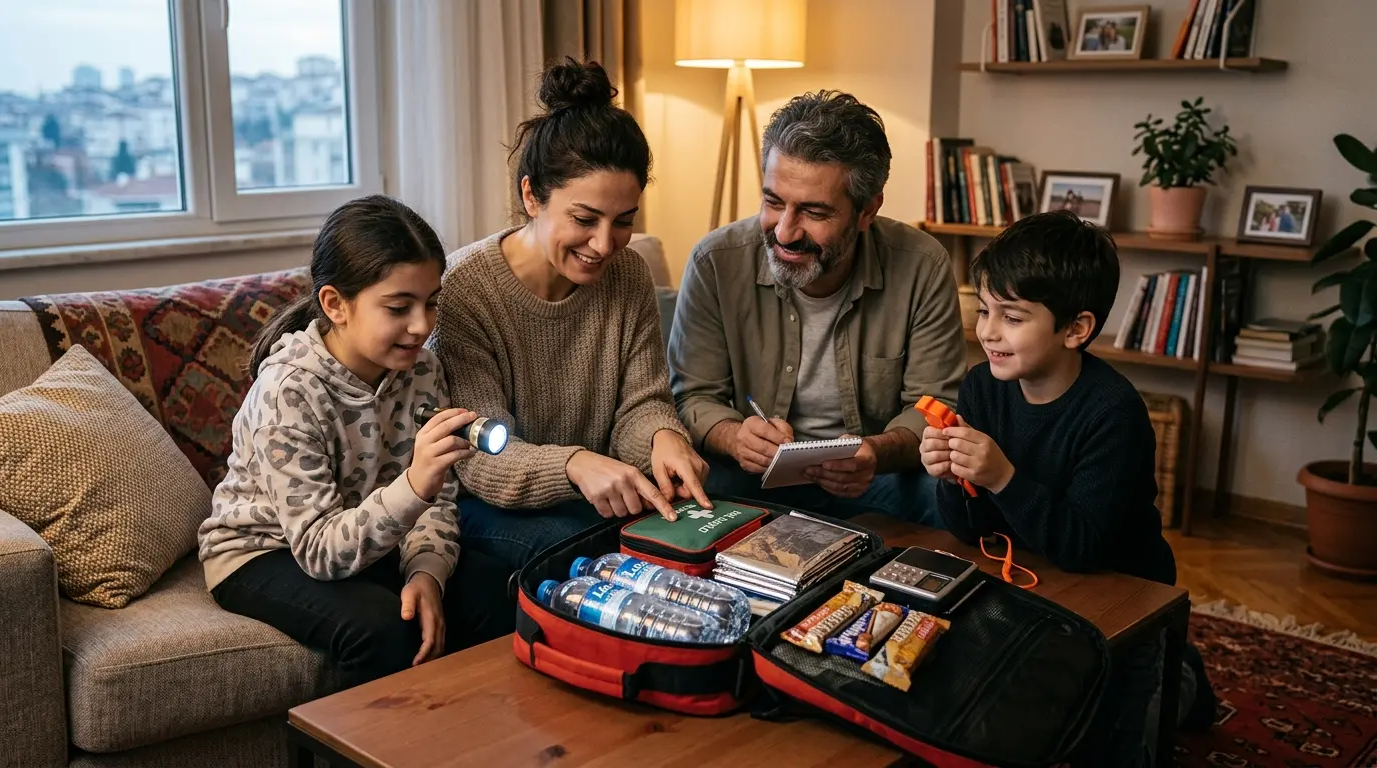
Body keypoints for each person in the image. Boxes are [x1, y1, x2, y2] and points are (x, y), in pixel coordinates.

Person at [918, 210, 1215, 765]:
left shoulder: (1113, 412)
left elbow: (1084, 549)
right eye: (985, 310)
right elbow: (968, 529)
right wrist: (954, 478)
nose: (987, 331)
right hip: (1032, 582)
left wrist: (1003, 476)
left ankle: (1182, 678)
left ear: (1075, 329)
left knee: (1112, 750)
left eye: (1012, 317)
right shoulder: (982, 386)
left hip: (1123, 594)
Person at [198, 195, 514, 690]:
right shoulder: (289, 393)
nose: (422, 325)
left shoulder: (421, 369)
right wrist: (414, 484)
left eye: (431, 302)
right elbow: (321, 551)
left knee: (496, 588)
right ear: (334, 304)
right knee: (381, 627)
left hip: (370, 536)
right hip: (266, 551)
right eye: (398, 307)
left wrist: (426, 573)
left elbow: (437, 500)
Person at [433, 58, 711, 574]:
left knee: (716, 510)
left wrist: (661, 437)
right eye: (584, 219)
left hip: (591, 493)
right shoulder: (463, 292)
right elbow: (478, 455)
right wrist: (573, 464)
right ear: (531, 195)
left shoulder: (628, 275)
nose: (604, 244)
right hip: (483, 506)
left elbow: (641, 402)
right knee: (597, 550)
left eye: (623, 221)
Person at [667, 90, 965, 525]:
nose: (785, 232)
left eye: (813, 211)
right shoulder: (715, 261)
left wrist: (874, 453)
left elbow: (935, 404)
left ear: (868, 211)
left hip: (874, 476)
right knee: (689, 488)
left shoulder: (923, 265)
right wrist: (734, 438)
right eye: (773, 202)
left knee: (951, 500)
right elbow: (693, 394)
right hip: (751, 475)